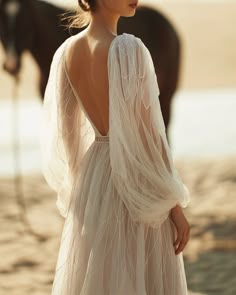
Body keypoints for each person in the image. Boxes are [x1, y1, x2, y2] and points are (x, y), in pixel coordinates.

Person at [40, 0, 191, 294]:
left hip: (92, 175)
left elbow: (69, 135)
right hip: (133, 172)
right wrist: (174, 205)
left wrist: (82, 190)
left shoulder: (66, 53)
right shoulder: (129, 49)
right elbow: (149, 134)